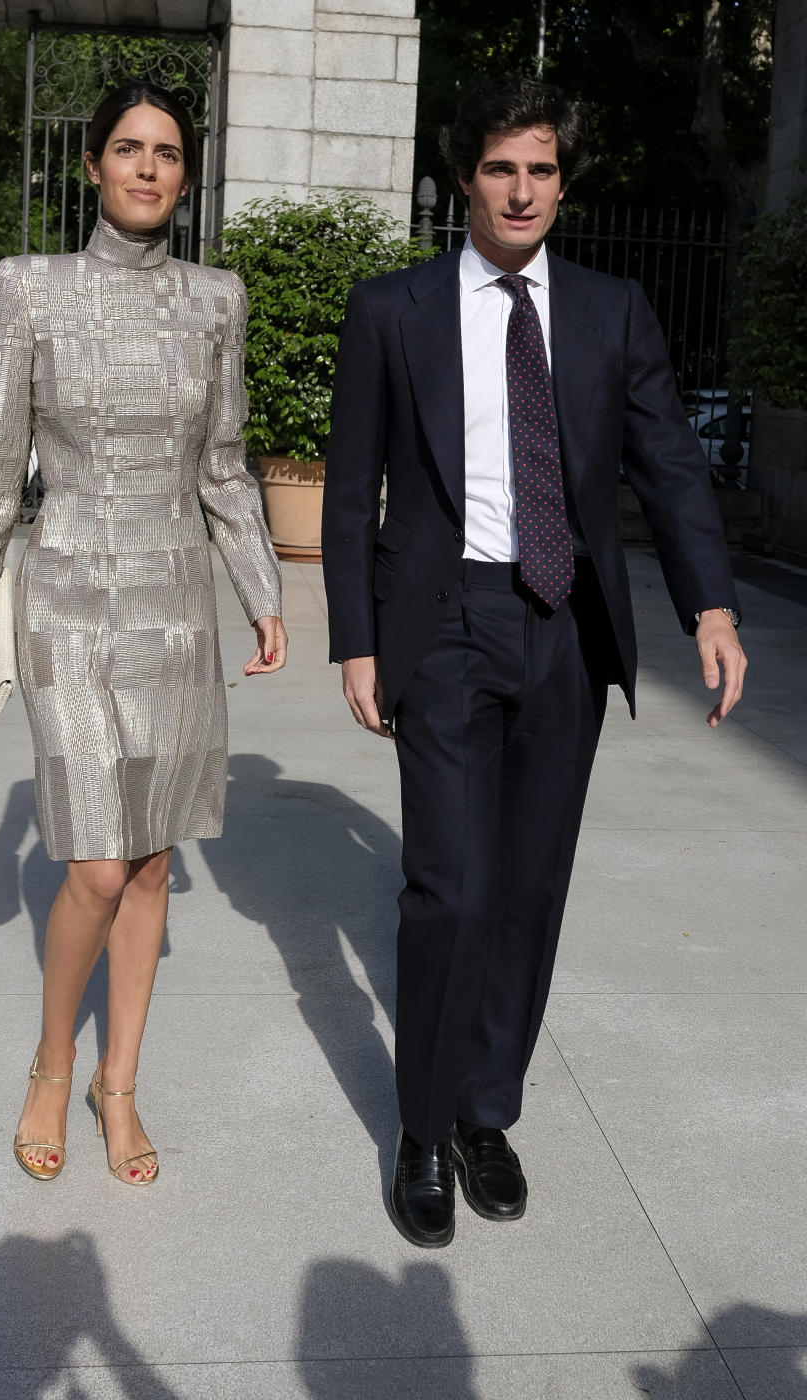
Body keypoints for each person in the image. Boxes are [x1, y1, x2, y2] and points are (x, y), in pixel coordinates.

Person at [321, 74, 747, 1248]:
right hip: (446, 620)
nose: (523, 189)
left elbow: (667, 463)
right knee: (448, 887)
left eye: (543, 169)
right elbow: (353, 486)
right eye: (502, 167)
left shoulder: (611, 310)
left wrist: (711, 608)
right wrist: (355, 639)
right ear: (467, 177)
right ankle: (418, 1127)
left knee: (526, 890)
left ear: (564, 181)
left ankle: (484, 1113)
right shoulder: (393, 308)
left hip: (565, 627)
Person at [0, 81, 286, 1187]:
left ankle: (119, 1085)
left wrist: (264, 592)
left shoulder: (216, 300)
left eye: (169, 153)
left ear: (187, 177)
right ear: (91, 164)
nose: (148, 168)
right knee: (94, 865)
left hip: (176, 600)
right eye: (128, 149)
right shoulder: (28, 288)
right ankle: (54, 1066)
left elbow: (225, 466)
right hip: (69, 597)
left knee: (150, 867)